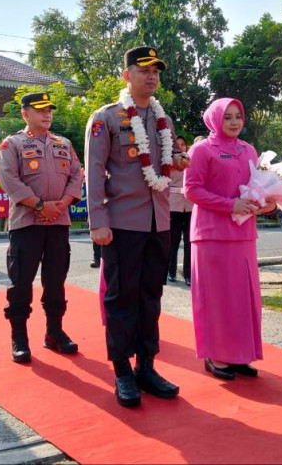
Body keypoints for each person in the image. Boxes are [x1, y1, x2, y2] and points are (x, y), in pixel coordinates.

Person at [86, 45, 190, 408]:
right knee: (120, 298)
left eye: (156, 71)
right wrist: (97, 222)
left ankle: (147, 366)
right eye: (144, 70)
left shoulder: (163, 119)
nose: (152, 76)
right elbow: (95, 172)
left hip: (158, 221)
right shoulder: (107, 118)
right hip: (122, 223)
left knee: (151, 296)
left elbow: (161, 165)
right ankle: (121, 370)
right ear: (126, 74)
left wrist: (177, 160)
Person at [184, 98, 277, 381]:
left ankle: (238, 355)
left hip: (243, 234)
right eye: (228, 117)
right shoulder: (201, 149)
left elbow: (254, 187)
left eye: (238, 116)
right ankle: (216, 356)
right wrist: (230, 205)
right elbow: (191, 190)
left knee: (243, 299)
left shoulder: (248, 150)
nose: (235, 122)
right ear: (214, 120)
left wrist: (267, 203)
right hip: (212, 235)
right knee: (217, 299)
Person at [0, 92, 83, 364]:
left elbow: (76, 175)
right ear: (25, 114)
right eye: (40, 110)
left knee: (56, 281)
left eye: (49, 110)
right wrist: (39, 205)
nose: (47, 114)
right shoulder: (13, 144)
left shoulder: (64, 143)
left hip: (58, 222)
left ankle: (54, 332)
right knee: (21, 282)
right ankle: (19, 338)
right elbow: (8, 179)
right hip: (26, 223)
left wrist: (62, 204)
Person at [167, 135, 193, 285]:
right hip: (174, 205)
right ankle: (171, 271)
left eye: (183, 144)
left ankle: (188, 274)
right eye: (178, 144)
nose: (181, 147)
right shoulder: (169, 162)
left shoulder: (191, 162)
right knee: (173, 242)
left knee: (189, 242)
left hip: (190, 206)